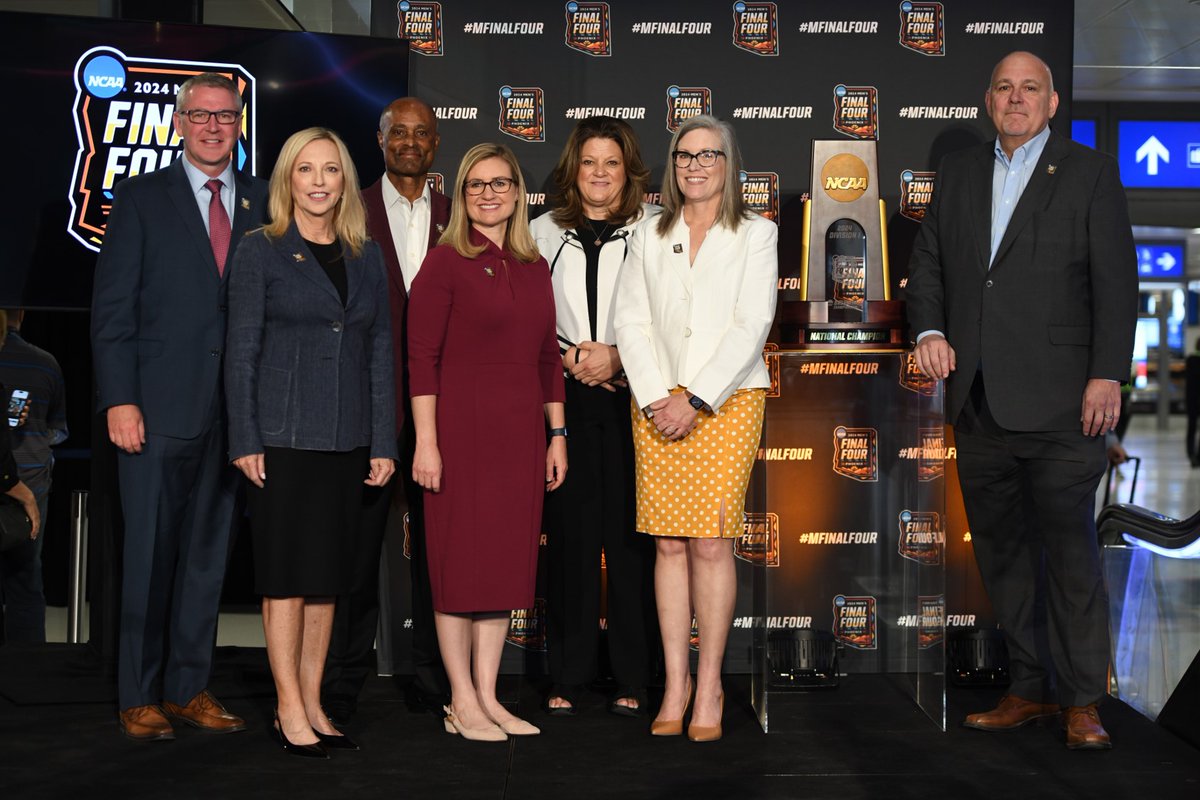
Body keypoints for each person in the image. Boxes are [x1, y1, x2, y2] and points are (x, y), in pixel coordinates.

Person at [906, 51, 1138, 750]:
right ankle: (1031, 688)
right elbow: (930, 265)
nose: (1016, 98)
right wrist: (931, 326)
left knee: (1071, 558)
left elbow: (1117, 281)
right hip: (978, 403)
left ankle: (1082, 701)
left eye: (1029, 88)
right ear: (987, 99)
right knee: (1004, 557)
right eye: (1004, 87)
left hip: (1067, 402)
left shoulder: (1090, 171)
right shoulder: (962, 172)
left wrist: (1108, 373)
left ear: (1053, 101)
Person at [91, 73, 268, 741]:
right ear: (179, 122)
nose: (213, 126)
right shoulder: (140, 200)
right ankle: (139, 694)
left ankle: (188, 687)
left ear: (239, 122)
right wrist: (120, 398)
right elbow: (112, 315)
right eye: (200, 115)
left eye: (225, 116)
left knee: (205, 560)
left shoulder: (259, 201)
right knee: (147, 559)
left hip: (233, 418)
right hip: (155, 412)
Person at [225, 127, 396, 758]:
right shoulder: (259, 250)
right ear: (287, 181)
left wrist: (384, 440)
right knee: (286, 579)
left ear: (346, 181)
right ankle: (288, 707)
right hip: (281, 439)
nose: (319, 181)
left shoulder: (366, 254)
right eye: (306, 170)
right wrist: (245, 436)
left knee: (327, 580)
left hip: (348, 440)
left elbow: (381, 353)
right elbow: (240, 354)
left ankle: (314, 698)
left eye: (330, 170)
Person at [614, 114, 778, 742]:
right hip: (655, 401)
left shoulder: (757, 234)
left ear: (727, 163)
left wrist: (698, 399)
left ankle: (709, 683)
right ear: (672, 163)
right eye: (685, 155)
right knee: (668, 544)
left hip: (727, 403)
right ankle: (675, 685)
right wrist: (659, 395)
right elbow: (630, 321)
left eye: (709, 154)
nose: (696, 165)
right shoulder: (647, 232)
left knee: (710, 542)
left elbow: (751, 324)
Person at [407, 142, 566, 741]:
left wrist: (558, 434)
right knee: (457, 568)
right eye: (476, 184)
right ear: (462, 195)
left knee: (501, 567)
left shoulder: (534, 264)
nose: (489, 193)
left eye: (500, 183)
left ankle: (490, 695)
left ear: (518, 193)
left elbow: (549, 357)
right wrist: (427, 442)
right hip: (459, 435)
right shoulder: (444, 262)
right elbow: (421, 359)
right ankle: (461, 701)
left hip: (520, 437)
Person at [323, 97, 451, 723]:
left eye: (421, 133)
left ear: (435, 143)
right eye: (398, 132)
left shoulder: (460, 216)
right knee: (354, 549)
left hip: (444, 415)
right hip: (364, 408)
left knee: (441, 553)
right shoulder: (347, 210)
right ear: (380, 141)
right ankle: (342, 681)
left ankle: (434, 678)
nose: (409, 142)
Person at [530, 116, 659, 717]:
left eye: (611, 162)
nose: (599, 173)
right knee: (571, 546)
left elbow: (672, 321)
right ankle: (569, 673)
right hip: (564, 402)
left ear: (627, 170)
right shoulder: (537, 233)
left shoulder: (660, 230)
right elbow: (526, 324)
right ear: (571, 169)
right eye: (588, 162)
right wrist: (573, 358)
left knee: (634, 544)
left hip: (639, 400)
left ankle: (635, 674)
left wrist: (617, 361)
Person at [0, 310, 67, 643]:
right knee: (25, 579)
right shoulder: (46, 363)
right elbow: (58, 430)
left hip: (15, 480)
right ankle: (27, 670)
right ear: (22, 315)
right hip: (30, 483)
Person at [1186, 337, 1200, 467]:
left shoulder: (1190, 360)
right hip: (1195, 401)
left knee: (1192, 428)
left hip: (1192, 401)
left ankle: (1191, 455)